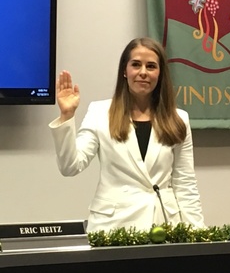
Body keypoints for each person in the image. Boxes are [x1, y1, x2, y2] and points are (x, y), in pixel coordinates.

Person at [49, 37, 205, 232]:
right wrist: (66, 116)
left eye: (151, 66)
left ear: (160, 73)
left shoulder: (179, 119)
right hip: (113, 228)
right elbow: (70, 166)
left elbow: (185, 183)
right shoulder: (99, 113)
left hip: (163, 226)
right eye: (136, 65)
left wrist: (197, 234)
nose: (143, 72)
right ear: (125, 70)